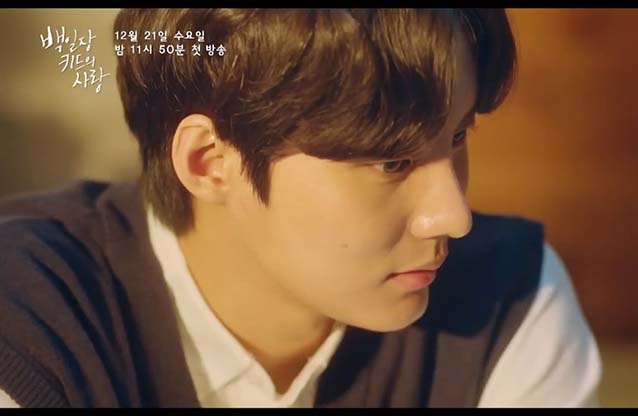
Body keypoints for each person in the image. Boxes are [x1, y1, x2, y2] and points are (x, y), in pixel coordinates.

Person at [0, 8, 601, 407]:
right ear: (210, 162)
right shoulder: (31, 322)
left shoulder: (509, 301)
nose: (453, 216)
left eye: (458, 134)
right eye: (391, 162)